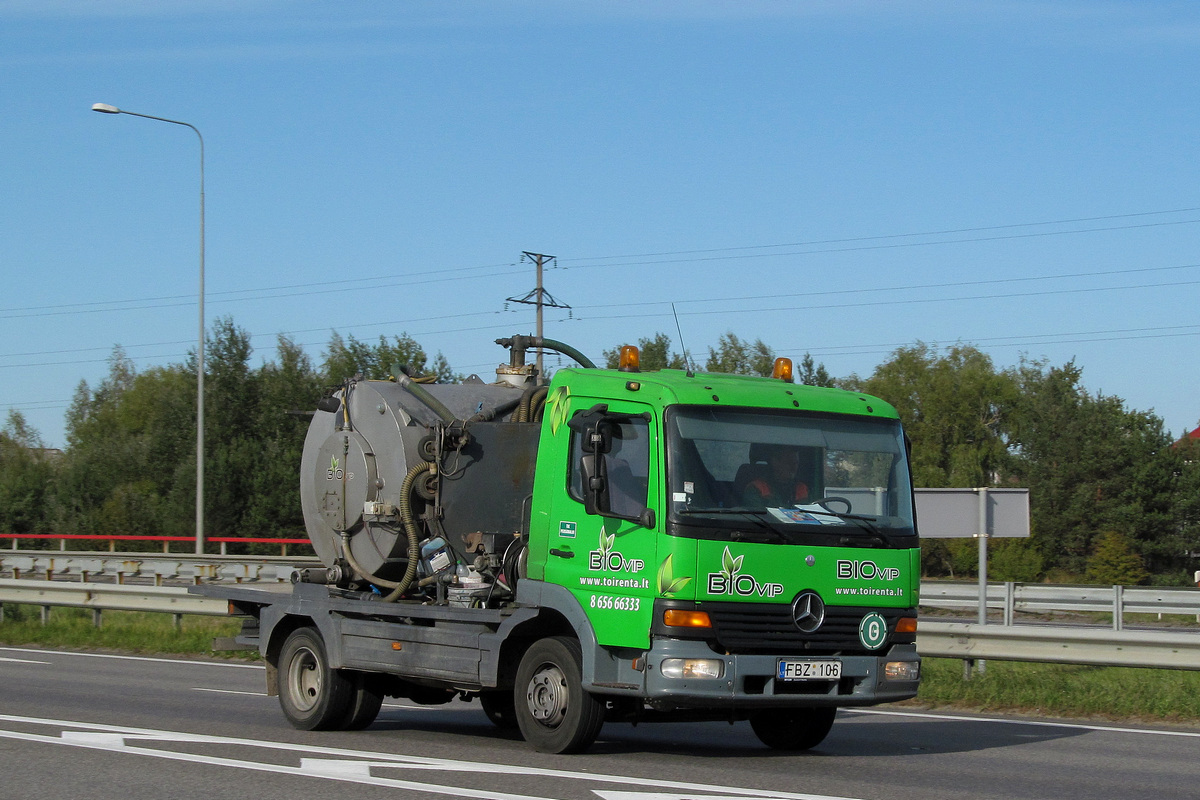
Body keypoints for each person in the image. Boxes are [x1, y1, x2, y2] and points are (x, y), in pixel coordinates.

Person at [740, 445, 810, 507]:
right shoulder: (757, 489)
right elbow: (757, 518)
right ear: (775, 462)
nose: (793, 467)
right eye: (789, 463)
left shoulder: (803, 489)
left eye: (796, 463)